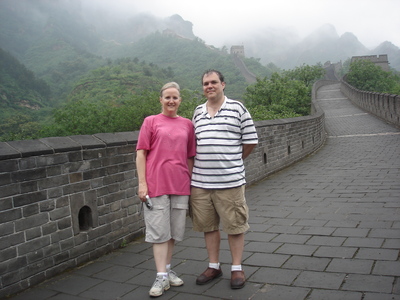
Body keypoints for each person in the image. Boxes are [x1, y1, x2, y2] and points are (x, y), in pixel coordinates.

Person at [190, 70, 258, 289]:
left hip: (230, 182)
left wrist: (234, 161)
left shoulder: (237, 108)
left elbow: (250, 142)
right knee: (209, 226)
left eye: (214, 82)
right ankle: (214, 266)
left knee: (235, 226)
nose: (209, 86)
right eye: (205, 83)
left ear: (223, 84)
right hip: (200, 183)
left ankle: (237, 268)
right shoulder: (198, 112)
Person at [136, 82, 196, 297]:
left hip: (180, 185)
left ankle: (167, 270)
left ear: (180, 100)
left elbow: (190, 156)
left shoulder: (187, 124)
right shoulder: (151, 122)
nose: (171, 101)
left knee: (173, 233)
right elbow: (141, 153)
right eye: (167, 97)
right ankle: (160, 276)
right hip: (156, 184)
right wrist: (142, 183)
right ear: (160, 100)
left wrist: (189, 181)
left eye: (175, 98)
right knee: (159, 233)